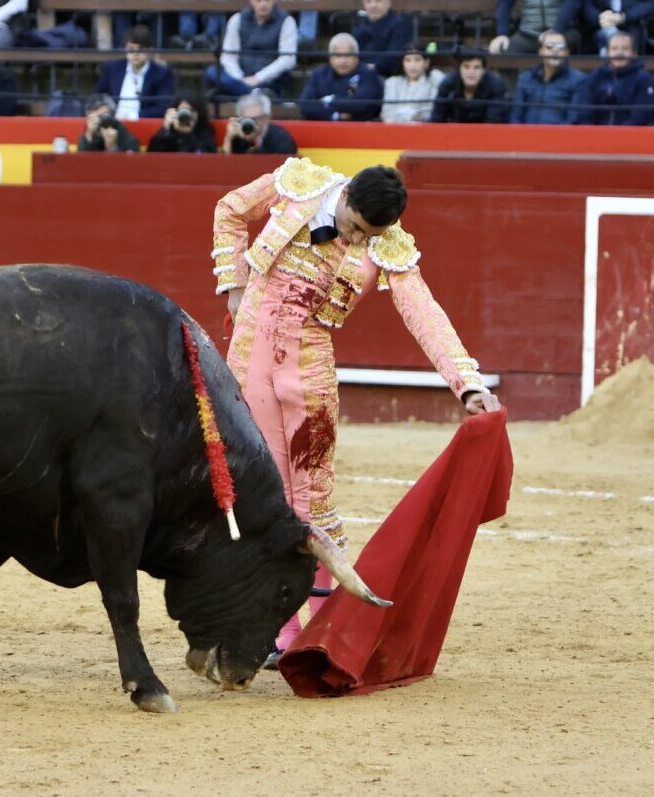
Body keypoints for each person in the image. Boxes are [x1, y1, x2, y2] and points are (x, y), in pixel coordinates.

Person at [211, 158, 499, 665]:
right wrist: (233, 283)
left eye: (370, 235)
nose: (358, 240)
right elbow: (230, 210)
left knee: (312, 492)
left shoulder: (387, 244)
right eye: (356, 228)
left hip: (309, 368)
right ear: (344, 198)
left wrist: (466, 384)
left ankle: (320, 614)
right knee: (262, 486)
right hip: (250, 352)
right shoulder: (298, 184)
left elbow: (424, 314)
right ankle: (278, 625)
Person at [205, 0, 297, 98]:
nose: (263, 4)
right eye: (258, 0)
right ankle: (253, 93)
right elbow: (228, 56)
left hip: (270, 81)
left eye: (267, 0)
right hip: (239, 77)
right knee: (212, 72)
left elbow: (288, 59)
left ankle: (243, 92)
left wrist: (258, 78)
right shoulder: (237, 19)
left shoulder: (287, 21)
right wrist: (240, 79)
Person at [94, 24, 176, 120]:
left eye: (140, 49)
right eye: (131, 49)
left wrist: (134, 116)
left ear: (150, 50)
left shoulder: (162, 74)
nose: (135, 54)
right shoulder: (112, 68)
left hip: (144, 125)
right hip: (112, 123)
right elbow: (97, 97)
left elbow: (162, 108)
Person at [298, 33, 383, 122]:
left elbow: (360, 104)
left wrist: (328, 101)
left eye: (348, 55)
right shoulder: (319, 74)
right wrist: (336, 116)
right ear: (330, 58)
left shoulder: (367, 74)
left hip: (360, 128)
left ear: (357, 57)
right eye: (338, 55)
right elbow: (305, 105)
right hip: (326, 129)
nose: (343, 61)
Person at [510, 30, 588, 124]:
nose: (555, 51)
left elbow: (573, 119)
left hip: (560, 136)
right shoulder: (525, 78)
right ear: (541, 51)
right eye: (549, 47)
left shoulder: (578, 80)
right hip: (526, 136)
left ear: (566, 52)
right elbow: (515, 116)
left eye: (560, 47)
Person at [579, 31, 654, 124]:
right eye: (614, 49)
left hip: (631, 135)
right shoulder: (597, 75)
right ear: (607, 53)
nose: (619, 53)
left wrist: (617, 135)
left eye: (625, 48)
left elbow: (640, 117)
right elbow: (585, 111)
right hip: (596, 134)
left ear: (634, 53)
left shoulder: (643, 77)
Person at [430, 52, 509, 123]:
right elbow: (436, 119)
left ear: (483, 70)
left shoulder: (495, 86)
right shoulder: (448, 84)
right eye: (466, 67)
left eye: (476, 67)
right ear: (459, 69)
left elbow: (492, 123)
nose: (471, 72)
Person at [382, 43, 445, 123]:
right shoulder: (392, 82)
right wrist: (410, 116)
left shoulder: (434, 79)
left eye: (417, 60)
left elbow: (430, 111)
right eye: (407, 60)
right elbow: (387, 113)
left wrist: (407, 116)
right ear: (402, 63)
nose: (412, 65)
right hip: (395, 129)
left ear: (426, 62)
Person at [490, 0, 582, 54]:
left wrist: (555, 31)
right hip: (528, 34)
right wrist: (502, 34)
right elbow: (504, 5)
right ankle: (518, 87)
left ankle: (561, 87)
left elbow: (572, 4)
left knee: (555, 51)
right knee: (502, 52)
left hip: (563, 32)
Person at [352, 0, 414, 78]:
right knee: (348, 87)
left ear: (388, 2)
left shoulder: (400, 25)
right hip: (359, 75)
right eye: (368, 1)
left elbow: (394, 57)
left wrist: (370, 67)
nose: (373, 5)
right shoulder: (360, 26)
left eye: (378, 1)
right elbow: (353, 54)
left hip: (386, 77)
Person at [580, 0, 654, 54]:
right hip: (599, 25)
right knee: (610, 33)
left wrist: (625, 16)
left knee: (624, 40)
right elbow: (585, 3)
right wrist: (599, 17)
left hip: (634, 22)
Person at [222, 91, 297, 154]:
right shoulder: (237, 138)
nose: (252, 123)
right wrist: (228, 138)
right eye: (247, 119)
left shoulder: (281, 139)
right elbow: (225, 166)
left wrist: (256, 145)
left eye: (256, 118)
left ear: (267, 117)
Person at [147, 94, 218, 153]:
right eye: (182, 110)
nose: (186, 114)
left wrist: (188, 135)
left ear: (198, 113)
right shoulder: (169, 129)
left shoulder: (205, 129)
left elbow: (205, 157)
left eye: (191, 111)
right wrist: (165, 131)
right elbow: (152, 155)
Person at [77, 93, 142, 152]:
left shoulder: (125, 136)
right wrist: (88, 137)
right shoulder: (88, 134)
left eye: (103, 116)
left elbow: (129, 163)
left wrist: (112, 148)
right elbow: (82, 162)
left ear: (112, 115)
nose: (99, 121)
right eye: (94, 118)